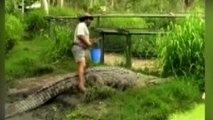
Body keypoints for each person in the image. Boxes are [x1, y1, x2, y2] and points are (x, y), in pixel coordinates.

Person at [72, 13, 95, 92]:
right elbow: (80, 36)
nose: (90, 21)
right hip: (79, 48)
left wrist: (91, 41)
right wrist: (88, 43)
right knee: (82, 64)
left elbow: (83, 38)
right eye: (88, 19)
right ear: (85, 19)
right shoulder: (82, 25)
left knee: (85, 65)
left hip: (83, 48)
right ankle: (81, 85)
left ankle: (81, 82)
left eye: (90, 19)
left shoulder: (84, 27)